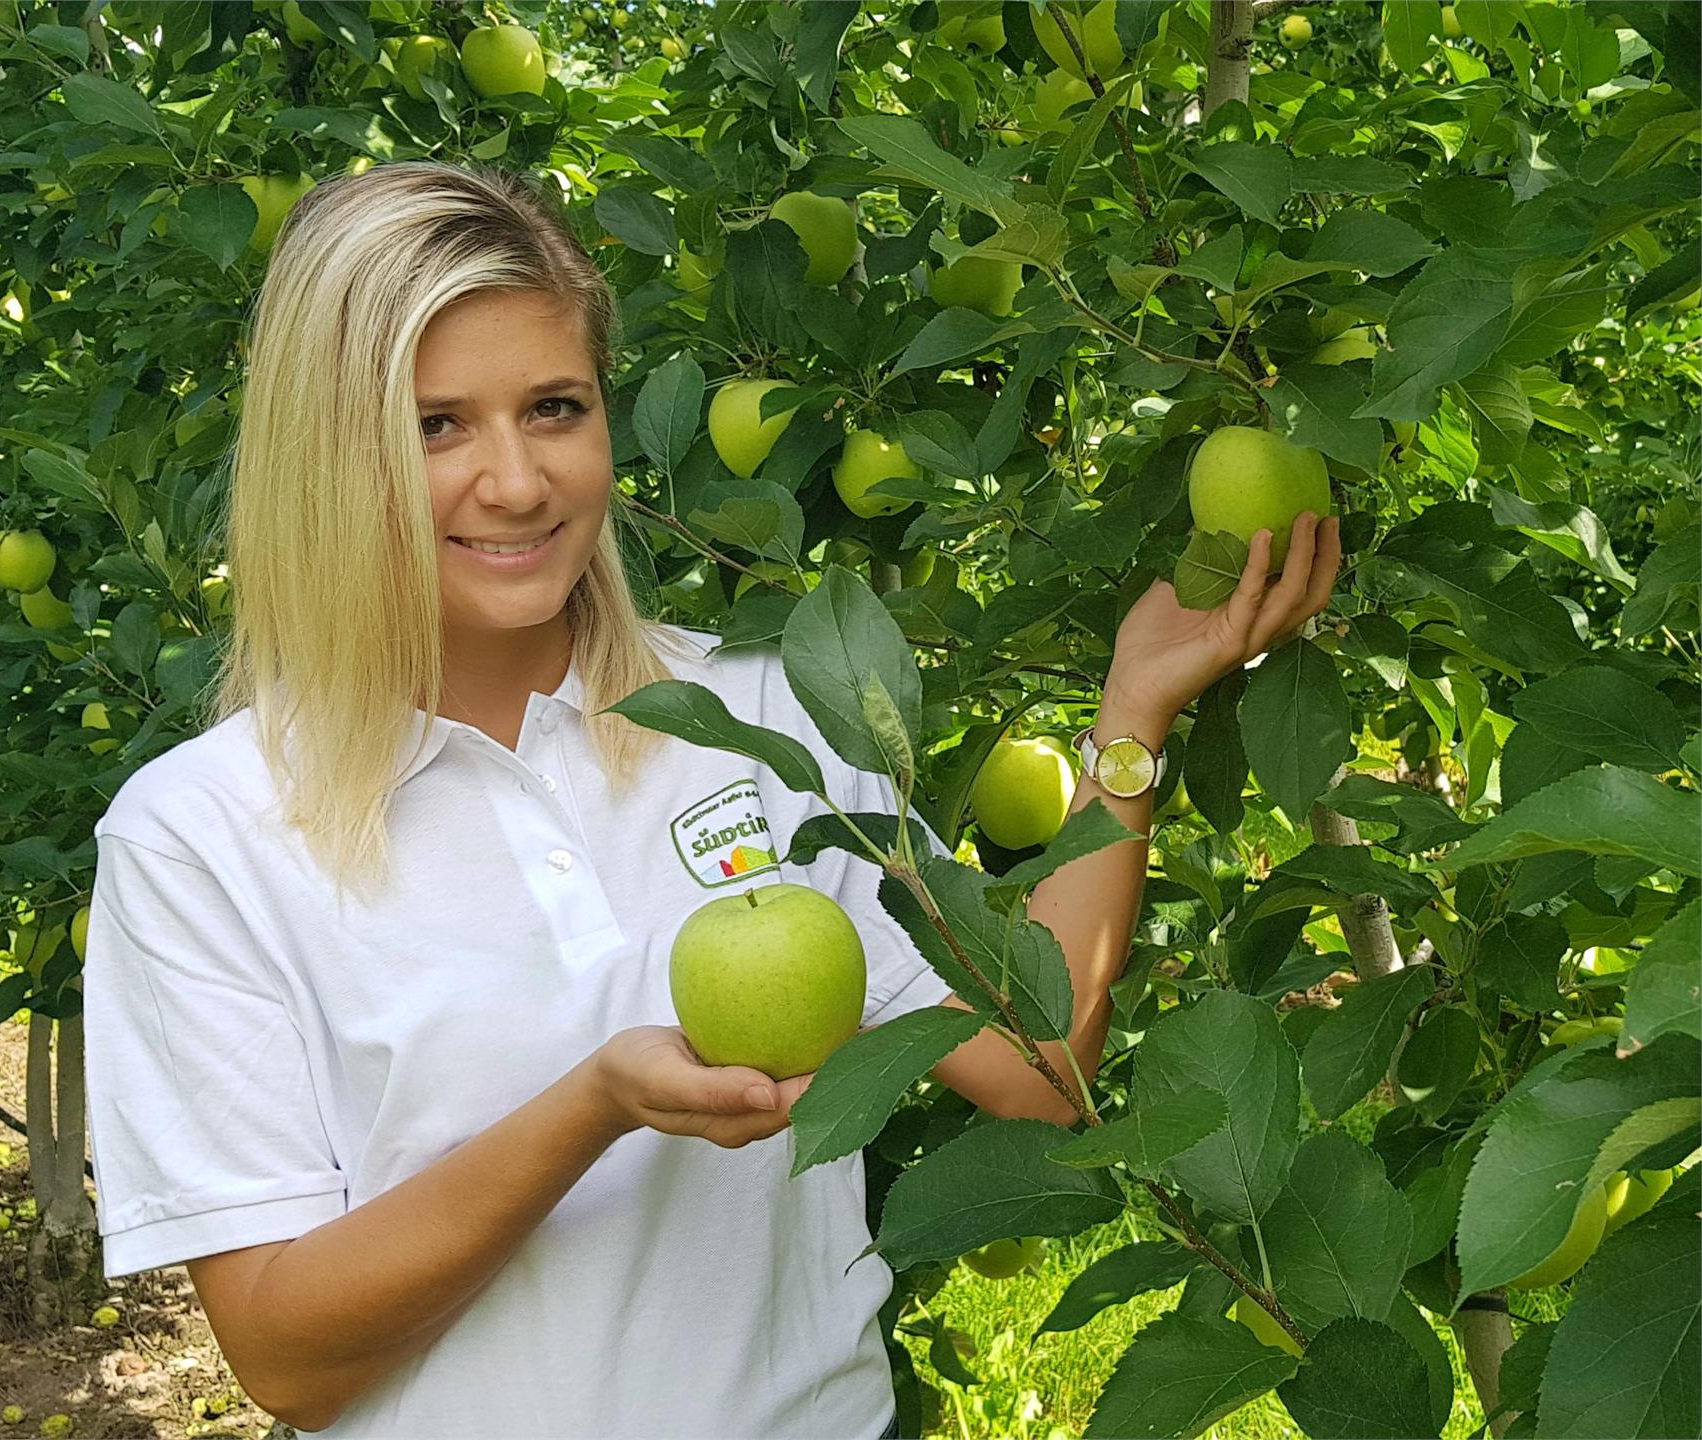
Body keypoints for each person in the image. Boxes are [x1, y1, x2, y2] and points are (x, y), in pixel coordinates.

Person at [80, 160, 1340, 1440]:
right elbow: (288, 1361)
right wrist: (592, 1107)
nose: (515, 482)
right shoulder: (203, 836)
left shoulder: (762, 717)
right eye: (435, 425)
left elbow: (1040, 1067)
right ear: (326, 456)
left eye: (555, 408)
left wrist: (1132, 716)